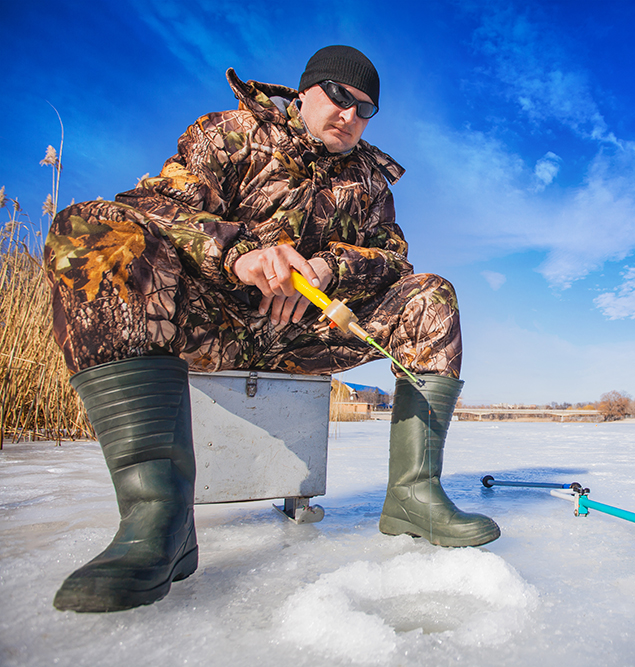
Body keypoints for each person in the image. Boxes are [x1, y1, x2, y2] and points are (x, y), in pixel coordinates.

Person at [43, 45, 500, 614]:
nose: (351, 117)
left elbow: (393, 259)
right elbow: (155, 206)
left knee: (431, 294)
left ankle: (414, 494)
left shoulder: (369, 182)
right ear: (305, 90)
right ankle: (158, 519)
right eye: (340, 97)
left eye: (366, 110)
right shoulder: (231, 133)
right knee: (91, 228)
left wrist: (332, 267)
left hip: (306, 335)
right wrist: (238, 254)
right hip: (212, 319)